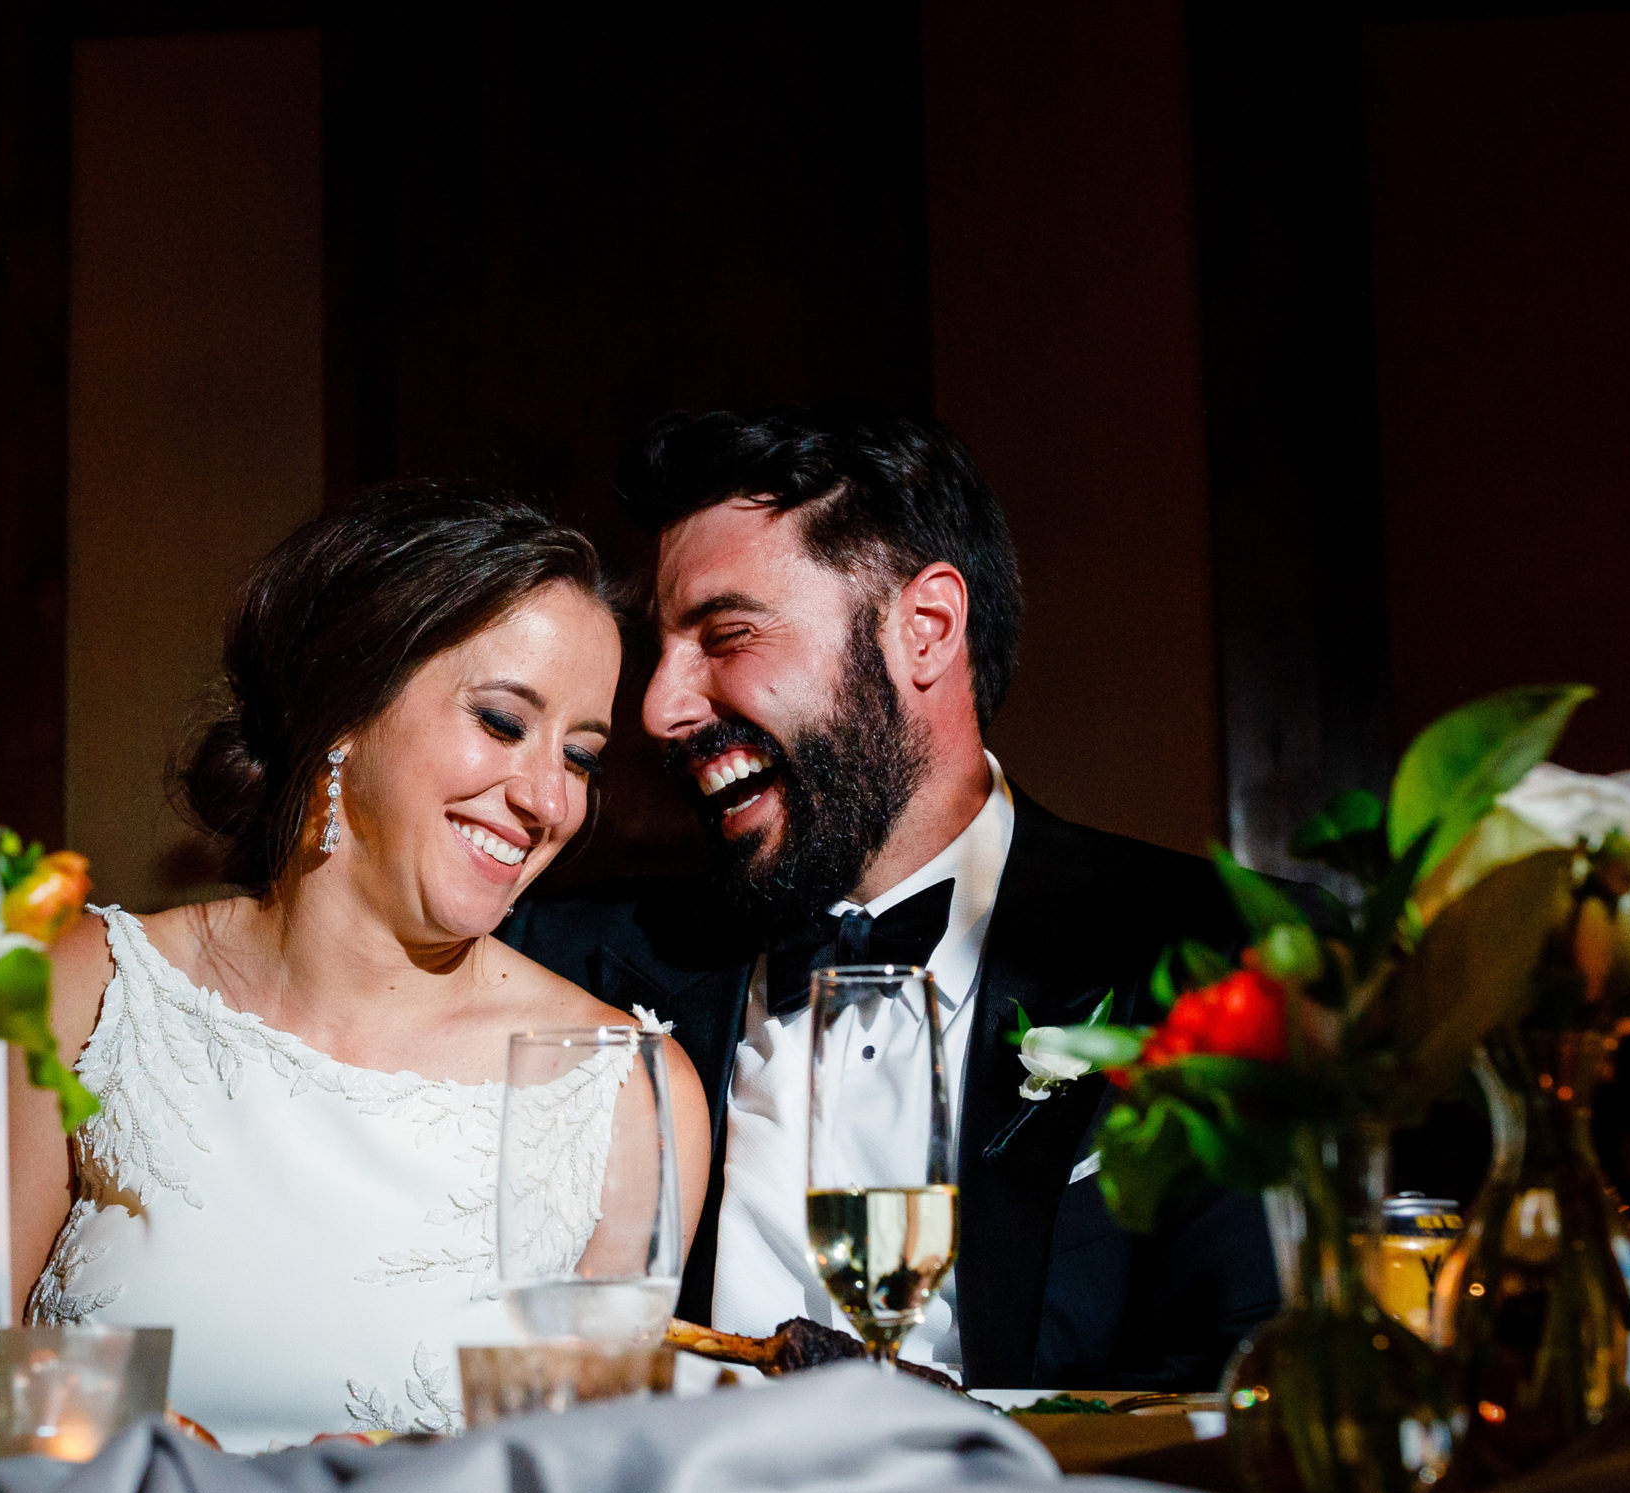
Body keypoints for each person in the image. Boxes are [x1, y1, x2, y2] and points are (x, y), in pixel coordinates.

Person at [502, 404, 1278, 1391]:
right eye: (661, 650)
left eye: (726, 634)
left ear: (926, 630)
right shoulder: (566, 967)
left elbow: (1254, 1385)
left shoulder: (1222, 960)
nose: (658, 708)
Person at [8, 482, 711, 1451]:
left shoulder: (623, 1096)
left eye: (581, 757)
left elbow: (584, 1486)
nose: (551, 800)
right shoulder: (87, 993)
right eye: (503, 722)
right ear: (343, 706)